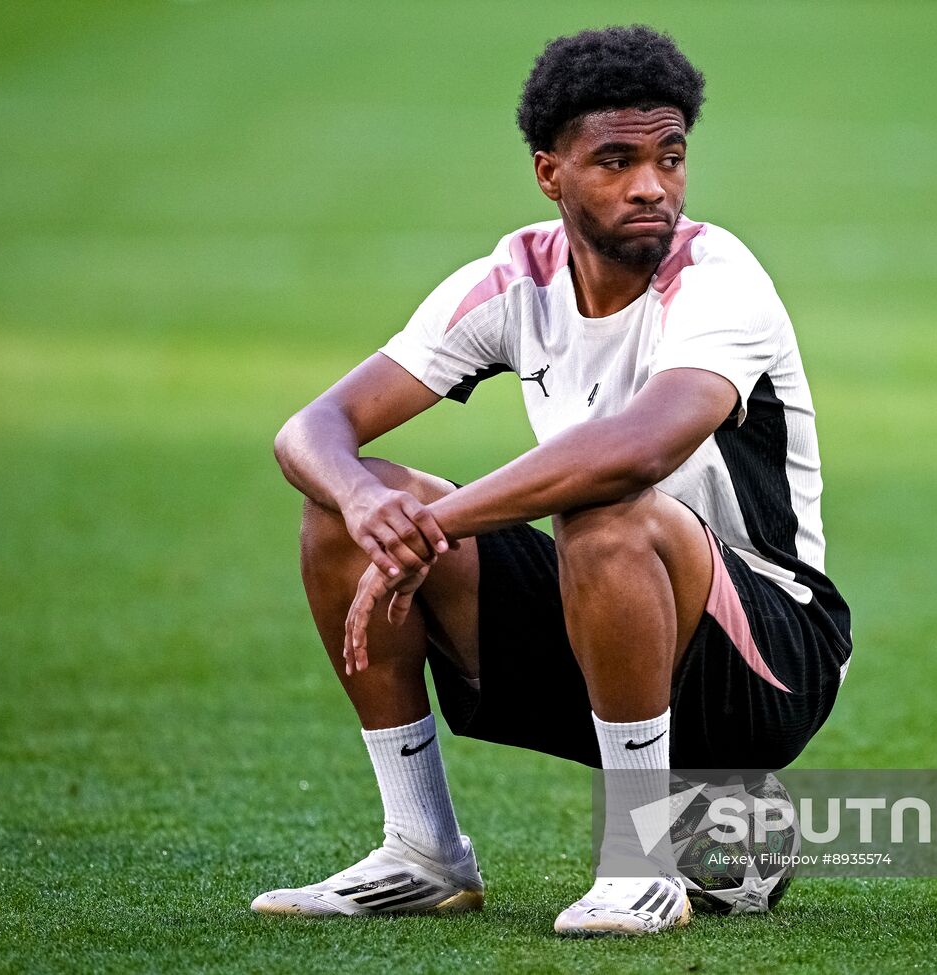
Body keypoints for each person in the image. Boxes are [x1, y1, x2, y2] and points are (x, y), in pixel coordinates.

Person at [252, 25, 852, 937]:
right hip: (611, 622)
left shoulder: (718, 278)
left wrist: (436, 521)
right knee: (344, 508)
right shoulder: (515, 278)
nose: (651, 184)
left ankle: (640, 863)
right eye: (615, 160)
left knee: (603, 510)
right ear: (550, 173)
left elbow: (635, 453)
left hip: (772, 651)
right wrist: (372, 503)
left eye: (670, 156)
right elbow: (312, 430)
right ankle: (422, 849)